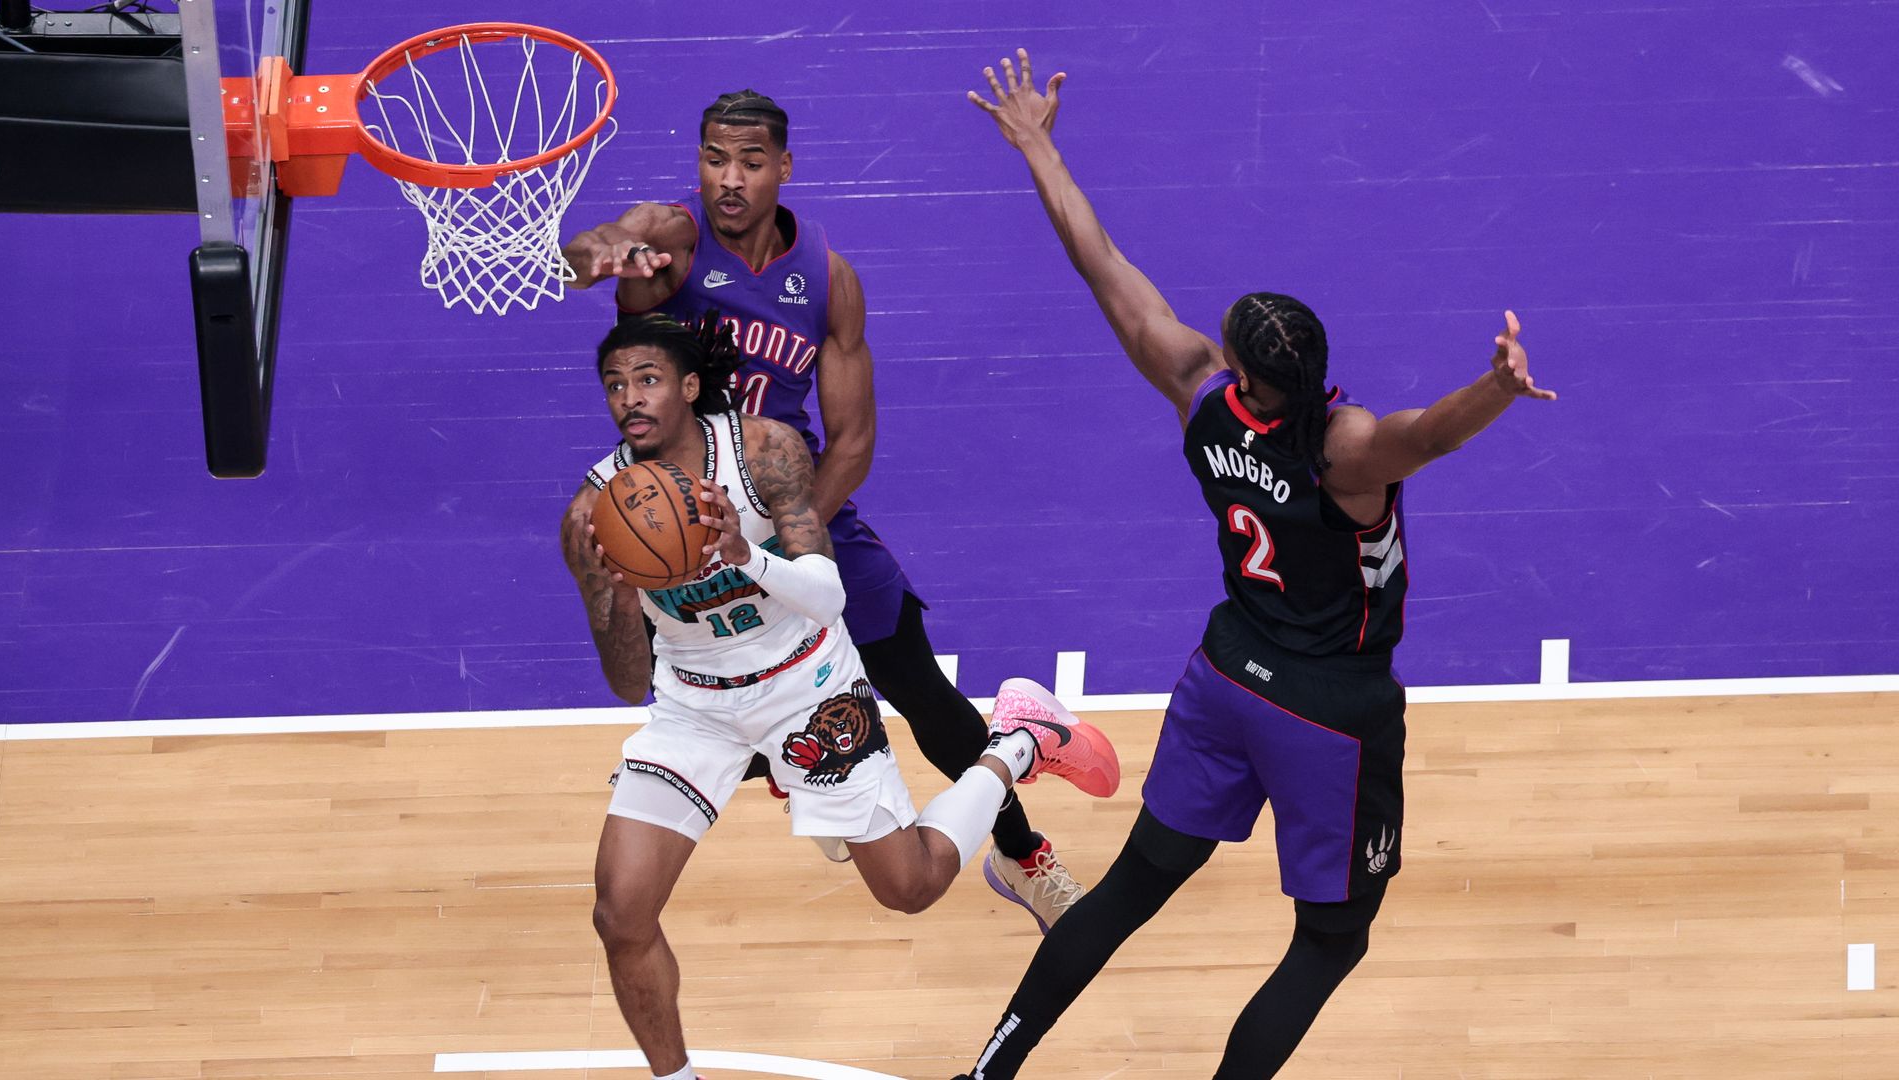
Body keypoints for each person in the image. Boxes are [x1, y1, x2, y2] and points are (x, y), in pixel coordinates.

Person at [952, 51, 1558, 1079]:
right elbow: (1430, 436)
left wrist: (1039, 147)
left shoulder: (1196, 394)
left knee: (1129, 893)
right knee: (1329, 942)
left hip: (1225, 677)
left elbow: (1105, 269)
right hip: (1330, 709)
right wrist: (1497, 387)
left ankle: (988, 1067)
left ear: (1242, 373)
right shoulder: (1345, 450)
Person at [561, 90, 1088, 932]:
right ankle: (802, 772)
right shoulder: (671, 236)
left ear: (784, 168)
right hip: (679, 521)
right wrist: (600, 254)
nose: (728, 180)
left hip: (798, 506)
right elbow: (589, 249)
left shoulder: (829, 282)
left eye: (750, 162)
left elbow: (852, 443)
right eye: (713, 160)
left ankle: (1024, 857)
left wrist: (778, 541)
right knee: (706, 696)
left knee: (920, 689)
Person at [559, 311, 1123, 1080]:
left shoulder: (764, 453)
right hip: (694, 707)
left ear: (690, 388)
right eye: (616, 385)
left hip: (808, 684)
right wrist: (624, 597)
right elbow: (626, 682)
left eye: (649, 379)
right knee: (620, 914)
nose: (631, 397)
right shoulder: (593, 517)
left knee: (910, 887)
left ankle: (1016, 740)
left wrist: (742, 554)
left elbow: (826, 596)